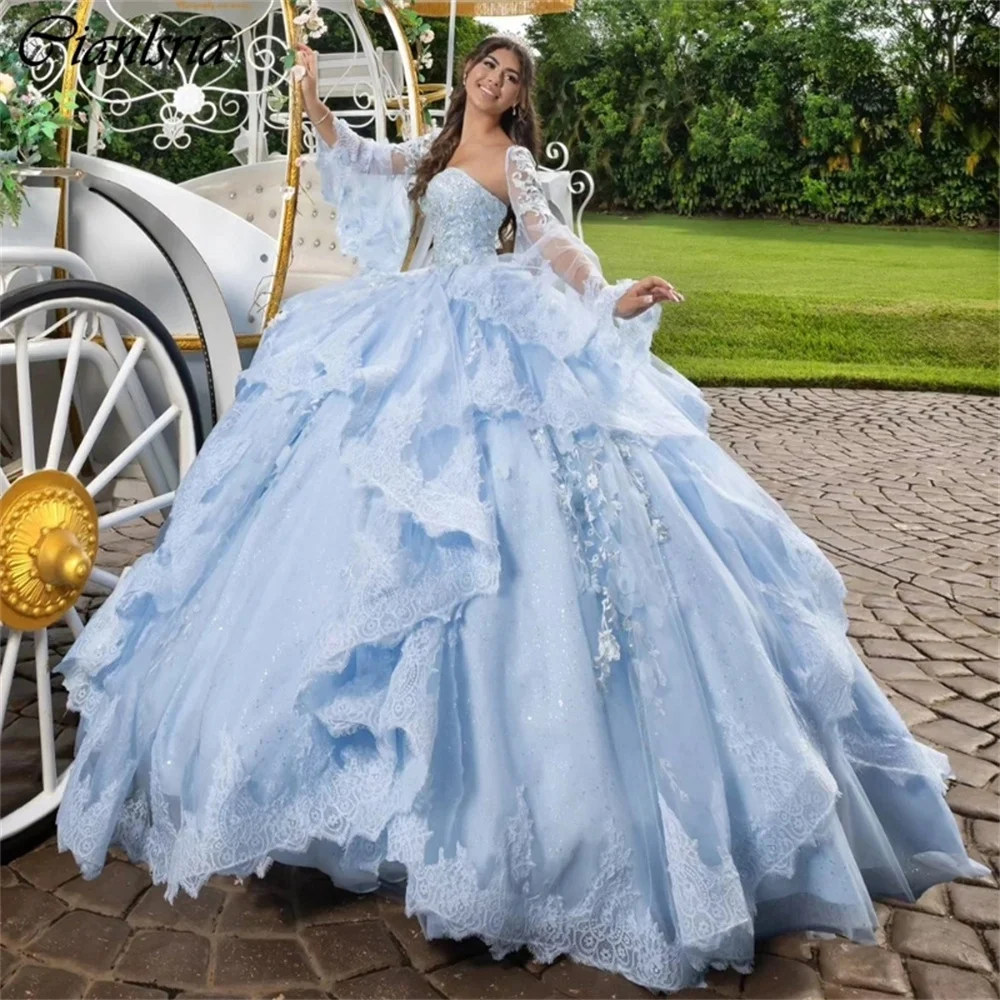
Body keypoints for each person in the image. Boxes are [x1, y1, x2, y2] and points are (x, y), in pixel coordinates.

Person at [55, 35, 987, 995]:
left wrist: (613, 294)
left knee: (509, 524)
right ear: (468, 79)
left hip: (489, 329)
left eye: (510, 80)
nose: (495, 85)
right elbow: (359, 160)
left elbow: (553, 243)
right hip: (414, 322)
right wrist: (310, 96)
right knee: (360, 516)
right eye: (486, 72)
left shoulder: (517, 164)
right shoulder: (435, 145)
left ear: (522, 98)